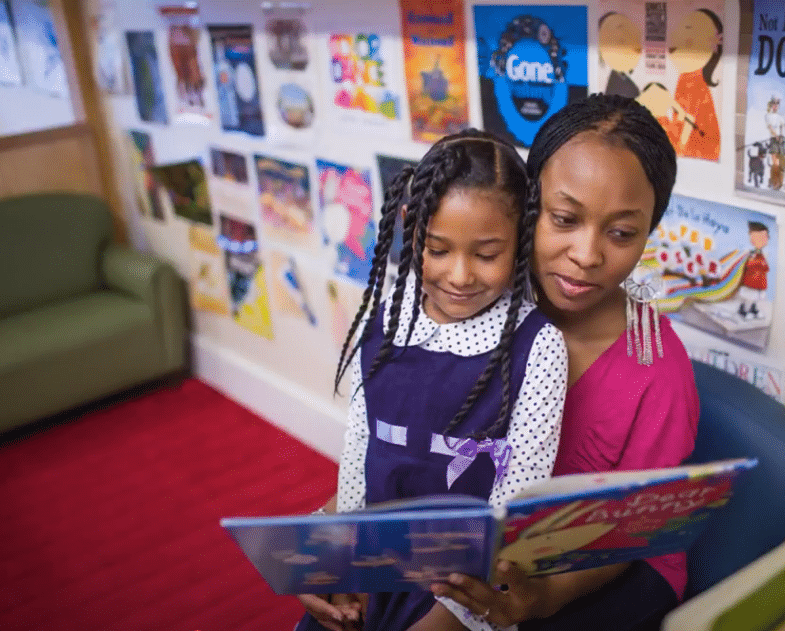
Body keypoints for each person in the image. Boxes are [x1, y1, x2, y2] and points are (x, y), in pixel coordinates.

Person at [427, 94, 700, 631]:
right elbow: (401, 442)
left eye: (621, 233)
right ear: (528, 206)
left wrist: (543, 597)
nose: (587, 253)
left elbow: (634, 528)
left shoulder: (659, 371)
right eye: (565, 219)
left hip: (614, 562)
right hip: (487, 539)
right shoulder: (475, 300)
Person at [296, 130, 569, 631]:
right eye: (437, 249)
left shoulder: (539, 346)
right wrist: (342, 562)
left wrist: (456, 615)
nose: (460, 275)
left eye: (486, 254)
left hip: (465, 594)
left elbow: (516, 507)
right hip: (373, 568)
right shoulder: (383, 322)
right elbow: (359, 453)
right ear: (412, 229)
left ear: (520, 241)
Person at [649, 8, 723, 160]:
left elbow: (687, 125)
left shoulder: (694, 83)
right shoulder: (686, 77)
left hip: (696, 152)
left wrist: (678, 149)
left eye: (687, 29)